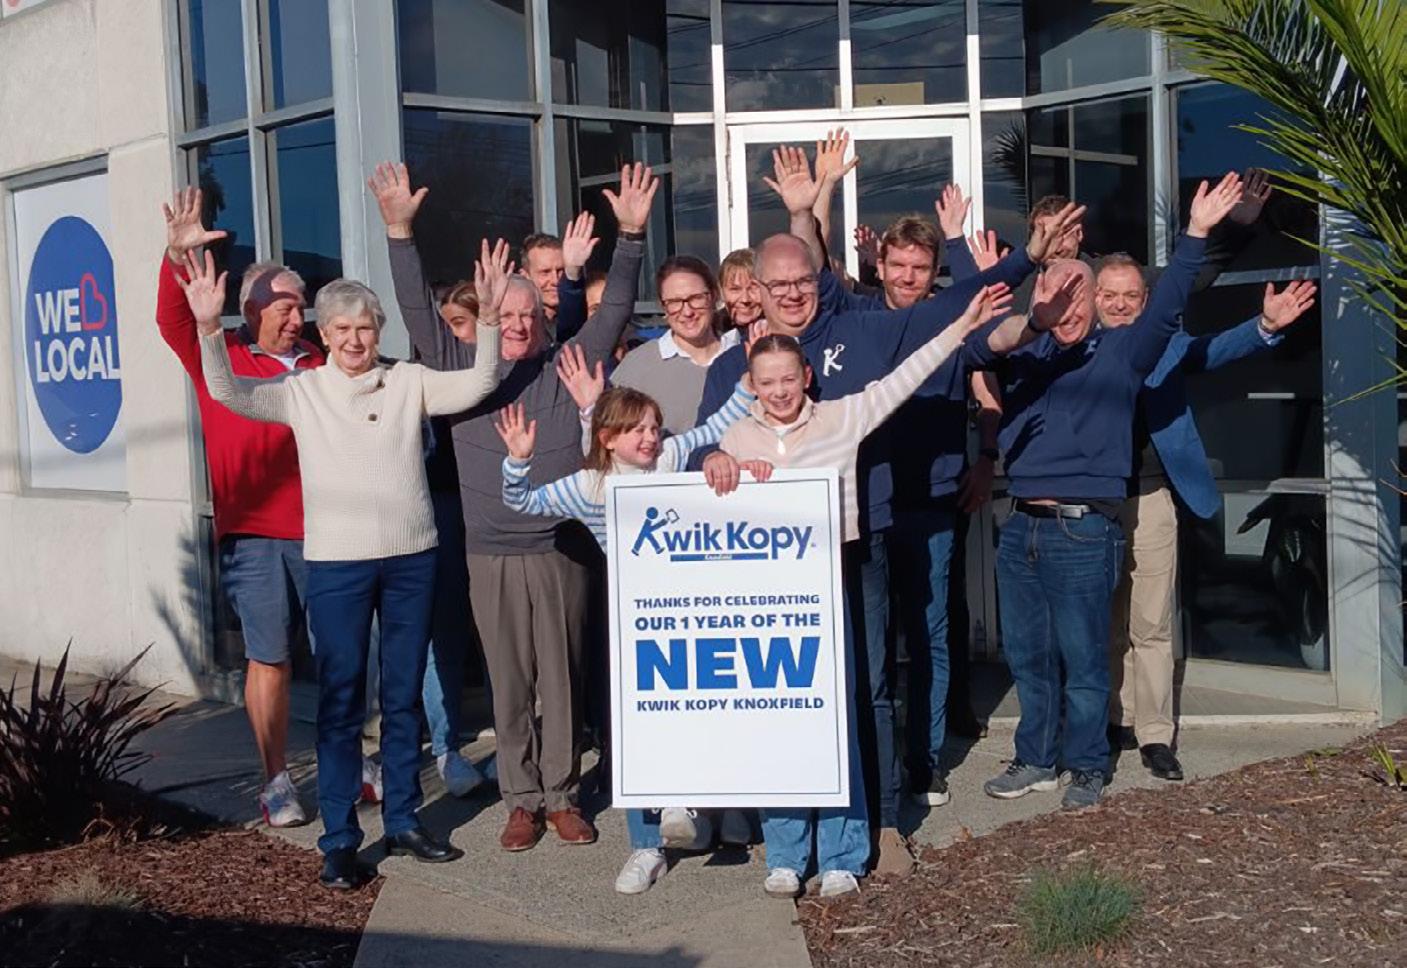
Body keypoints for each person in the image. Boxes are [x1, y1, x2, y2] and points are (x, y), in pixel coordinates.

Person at [692, 144, 1081, 875]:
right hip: (768, 566)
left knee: (870, 685)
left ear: (819, 281)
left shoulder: (861, 331)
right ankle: (789, 834)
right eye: (779, 285)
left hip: (857, 538)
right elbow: (693, 456)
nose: (793, 293)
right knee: (785, 691)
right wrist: (713, 458)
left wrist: (1027, 262)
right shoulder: (732, 368)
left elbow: (951, 317)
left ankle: (879, 822)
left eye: (803, 280)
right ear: (756, 290)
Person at [178, 244, 507, 889]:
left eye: (365, 328)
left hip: (411, 559)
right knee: (340, 702)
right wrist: (210, 327)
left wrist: (490, 321)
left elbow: (479, 382)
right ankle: (339, 839)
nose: (355, 340)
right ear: (323, 335)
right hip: (337, 566)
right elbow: (226, 391)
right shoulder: (300, 391)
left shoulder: (407, 380)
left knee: (403, 698)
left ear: (377, 332)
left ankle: (405, 819)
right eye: (342, 329)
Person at [374, 159, 659, 852]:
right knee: (508, 682)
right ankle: (521, 799)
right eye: (507, 314)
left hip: (561, 549)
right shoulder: (463, 372)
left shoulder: (568, 365)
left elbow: (616, 308)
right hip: (490, 552)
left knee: (561, 680)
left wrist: (630, 236)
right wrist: (399, 233)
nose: (520, 325)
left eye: (530, 315)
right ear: (489, 317)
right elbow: (416, 310)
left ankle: (561, 796)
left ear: (544, 319)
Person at [707, 284, 1011, 899]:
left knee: (844, 708)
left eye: (788, 379)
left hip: (840, 573)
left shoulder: (842, 418)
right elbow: (687, 480)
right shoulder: (737, 436)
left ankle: (844, 850)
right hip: (771, 595)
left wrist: (962, 327)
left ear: (806, 376)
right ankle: (787, 852)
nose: (779, 391)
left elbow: (905, 376)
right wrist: (716, 461)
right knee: (783, 714)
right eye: (767, 382)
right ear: (752, 386)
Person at [971, 172, 1246, 811]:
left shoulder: (1123, 354)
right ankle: (1036, 759)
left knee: (1087, 659)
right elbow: (977, 347)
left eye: (1079, 296)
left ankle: (1088, 764)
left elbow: (1169, 303)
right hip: (1021, 526)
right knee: (1030, 658)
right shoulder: (1027, 354)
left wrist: (1196, 234)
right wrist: (1003, 287)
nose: (1067, 307)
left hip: (1082, 529)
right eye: (1056, 296)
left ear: (1095, 302)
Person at [494, 346, 756, 895]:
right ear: (608, 439)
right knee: (640, 728)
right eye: (637, 429)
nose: (651, 437)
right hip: (635, 620)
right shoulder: (589, 485)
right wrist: (517, 460)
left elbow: (719, 423)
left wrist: (749, 380)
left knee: (698, 712)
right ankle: (645, 844)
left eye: (655, 427)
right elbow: (522, 502)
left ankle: (698, 803)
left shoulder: (671, 460)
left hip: (691, 614)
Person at [1097, 253, 1318, 781]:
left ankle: (1154, 735)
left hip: (1150, 498)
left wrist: (1265, 326)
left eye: (1131, 295)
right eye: (1110, 295)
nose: (1120, 305)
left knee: (1151, 623)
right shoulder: (1072, 346)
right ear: (1093, 298)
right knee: (1104, 620)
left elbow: (1213, 349)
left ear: (1146, 302)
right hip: (1092, 502)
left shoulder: (1165, 344)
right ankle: (1113, 720)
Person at [157, 188, 331, 828]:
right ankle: (276, 780)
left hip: (327, 531)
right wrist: (176, 257)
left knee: (341, 654)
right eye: (285, 308)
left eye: (301, 307)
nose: (297, 318)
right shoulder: (220, 357)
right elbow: (173, 321)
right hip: (255, 538)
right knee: (270, 658)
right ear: (252, 309)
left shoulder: (322, 362)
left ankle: (348, 762)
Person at [609, 256, 740, 435]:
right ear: (663, 307)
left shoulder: (741, 355)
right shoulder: (637, 366)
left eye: (696, 298)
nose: (687, 311)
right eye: (674, 302)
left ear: (714, 296)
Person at [521, 232, 566, 327]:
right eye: (545, 272)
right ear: (525, 276)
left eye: (560, 271)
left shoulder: (582, 320)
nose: (555, 281)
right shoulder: (518, 325)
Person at [719, 248, 762, 333]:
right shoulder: (708, 332)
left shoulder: (782, 330)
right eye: (735, 289)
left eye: (752, 288)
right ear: (721, 291)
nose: (745, 299)